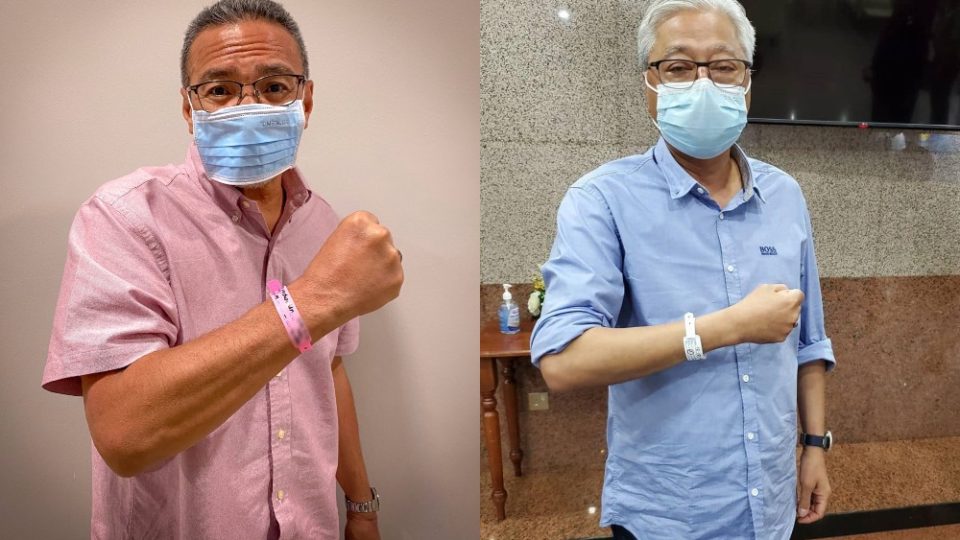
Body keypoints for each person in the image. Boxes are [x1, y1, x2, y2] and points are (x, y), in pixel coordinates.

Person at [41, 1, 402, 538]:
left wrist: (360, 505)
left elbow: (327, 371)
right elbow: (124, 433)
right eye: (220, 90)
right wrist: (312, 300)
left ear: (306, 100)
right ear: (189, 109)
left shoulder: (323, 224)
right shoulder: (124, 217)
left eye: (275, 87)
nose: (249, 106)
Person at [530, 1, 834, 538]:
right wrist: (728, 327)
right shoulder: (603, 199)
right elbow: (563, 360)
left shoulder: (786, 195)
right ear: (649, 84)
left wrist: (815, 446)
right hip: (667, 511)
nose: (702, 83)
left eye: (722, 66)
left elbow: (808, 343)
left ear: (746, 80)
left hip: (770, 501)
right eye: (677, 67)